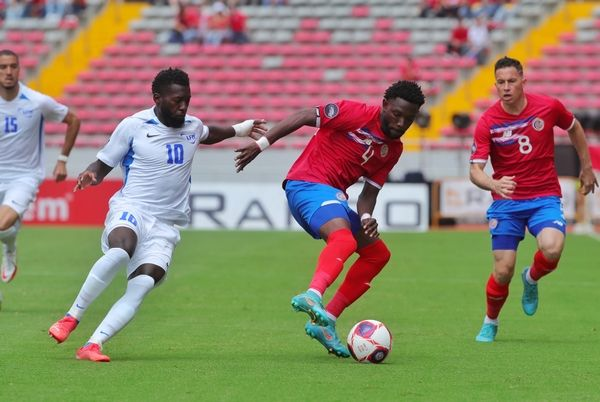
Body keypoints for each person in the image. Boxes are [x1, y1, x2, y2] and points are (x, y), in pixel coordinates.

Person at [48, 68, 265, 362]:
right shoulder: (134, 126)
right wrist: (91, 174)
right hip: (132, 208)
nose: (183, 106)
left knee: (143, 283)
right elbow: (104, 162)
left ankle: (93, 344)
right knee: (122, 250)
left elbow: (209, 134)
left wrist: (241, 129)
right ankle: (71, 317)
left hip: (166, 224)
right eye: (177, 100)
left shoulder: (192, 125)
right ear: (157, 98)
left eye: (187, 99)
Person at [235, 81, 425, 357]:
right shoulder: (354, 112)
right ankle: (313, 295)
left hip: (332, 196)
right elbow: (302, 116)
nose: (401, 122)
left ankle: (328, 322)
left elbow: (368, 194)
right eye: (397, 113)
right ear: (385, 105)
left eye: (409, 118)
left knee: (377, 255)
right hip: (306, 184)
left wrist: (367, 216)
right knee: (344, 239)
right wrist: (261, 145)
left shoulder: (392, 150)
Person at [470, 56, 598, 343]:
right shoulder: (488, 121)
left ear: (523, 82)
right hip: (507, 204)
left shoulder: (548, 106)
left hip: (544, 197)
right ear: (495, 84)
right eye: (500, 82)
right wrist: (493, 182)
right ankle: (491, 321)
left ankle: (531, 278)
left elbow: (574, 127)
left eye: (511, 81)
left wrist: (586, 167)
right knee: (502, 271)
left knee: (552, 250)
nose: (506, 87)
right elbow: (474, 171)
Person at [0, 49, 80, 283]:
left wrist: (62, 160)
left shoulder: (37, 101)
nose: (8, 72)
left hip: (24, 176)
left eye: (13, 66)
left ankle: (9, 248)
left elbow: (73, 120)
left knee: (2, 223)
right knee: (4, 229)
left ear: (19, 69)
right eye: (2, 67)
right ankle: (11, 247)